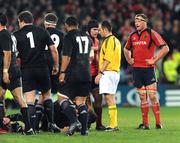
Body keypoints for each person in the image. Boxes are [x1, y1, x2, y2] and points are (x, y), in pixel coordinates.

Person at [13, 11, 59, 133]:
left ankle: (32, 127)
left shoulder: (16, 35)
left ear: (21, 21)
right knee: (47, 95)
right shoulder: (42, 31)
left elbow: (14, 54)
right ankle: (52, 124)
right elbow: (53, 50)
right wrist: (56, 65)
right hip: (42, 68)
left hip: (27, 69)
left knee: (30, 99)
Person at [123, 13, 169, 129]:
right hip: (137, 70)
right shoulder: (132, 35)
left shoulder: (151, 33)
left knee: (153, 96)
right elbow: (126, 49)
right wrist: (129, 59)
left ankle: (158, 123)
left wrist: (155, 60)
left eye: (139, 20)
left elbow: (165, 48)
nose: (136, 22)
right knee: (142, 97)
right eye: (135, 20)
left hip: (148, 70)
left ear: (145, 22)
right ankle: (145, 124)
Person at [58, 16, 92, 136]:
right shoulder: (87, 37)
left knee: (61, 97)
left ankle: (74, 122)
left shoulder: (68, 36)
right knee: (81, 102)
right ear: (77, 25)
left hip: (73, 73)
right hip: (86, 73)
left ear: (67, 25)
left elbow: (66, 56)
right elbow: (91, 56)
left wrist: (62, 72)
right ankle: (84, 130)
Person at [35, 12, 64, 132]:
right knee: (52, 96)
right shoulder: (62, 35)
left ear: (45, 22)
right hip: (56, 67)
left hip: (42, 66)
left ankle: (38, 125)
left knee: (43, 95)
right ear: (56, 23)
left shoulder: (40, 32)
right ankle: (49, 124)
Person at [95, 20, 121, 131]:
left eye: (100, 30)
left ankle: (113, 125)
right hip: (114, 72)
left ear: (105, 29)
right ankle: (113, 124)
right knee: (110, 98)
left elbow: (107, 59)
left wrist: (100, 73)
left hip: (108, 72)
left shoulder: (109, 41)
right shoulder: (116, 40)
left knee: (109, 98)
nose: (99, 32)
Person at [87, 19, 106, 131]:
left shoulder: (97, 41)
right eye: (94, 29)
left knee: (98, 102)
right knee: (86, 102)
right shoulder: (84, 39)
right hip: (84, 75)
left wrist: (100, 72)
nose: (96, 32)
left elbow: (98, 58)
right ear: (89, 29)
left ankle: (99, 124)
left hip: (95, 75)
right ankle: (87, 123)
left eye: (98, 30)